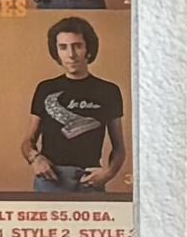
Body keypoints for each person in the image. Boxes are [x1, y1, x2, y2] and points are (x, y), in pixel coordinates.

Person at [26, 18, 125, 196]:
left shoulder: (108, 91)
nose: (71, 54)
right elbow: (28, 141)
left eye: (77, 46)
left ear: (88, 49)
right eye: (63, 47)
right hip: (50, 181)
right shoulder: (46, 89)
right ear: (56, 51)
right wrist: (36, 158)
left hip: (89, 180)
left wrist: (109, 173)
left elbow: (119, 147)